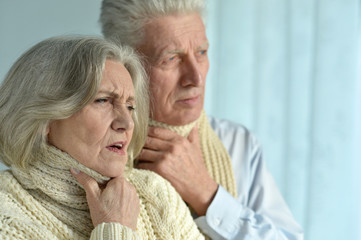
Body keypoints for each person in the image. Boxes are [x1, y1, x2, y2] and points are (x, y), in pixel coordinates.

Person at [100, 0, 304, 239]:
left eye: (201, 53)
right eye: (171, 58)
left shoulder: (238, 143)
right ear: (126, 65)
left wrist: (207, 194)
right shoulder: (95, 149)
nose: (195, 77)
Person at [0, 36, 205, 239]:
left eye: (130, 106)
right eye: (103, 100)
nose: (127, 123)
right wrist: (116, 228)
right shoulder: (6, 216)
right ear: (44, 118)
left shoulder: (156, 192)